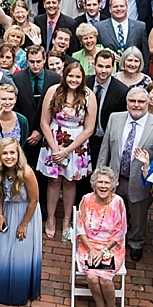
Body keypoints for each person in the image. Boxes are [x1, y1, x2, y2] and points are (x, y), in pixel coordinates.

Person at [97, 87, 153, 269]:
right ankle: (110, 240)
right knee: (112, 212)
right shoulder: (115, 118)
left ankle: (136, 242)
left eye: (141, 102)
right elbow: (106, 148)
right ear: (127, 102)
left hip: (141, 181)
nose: (136, 105)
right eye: (132, 101)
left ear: (148, 103)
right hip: (115, 177)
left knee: (138, 215)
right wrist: (99, 175)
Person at [38, 62, 96, 240]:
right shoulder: (53, 91)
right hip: (53, 140)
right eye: (71, 76)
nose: (74, 80)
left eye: (78, 76)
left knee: (70, 182)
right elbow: (44, 122)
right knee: (54, 181)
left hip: (76, 144)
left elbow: (89, 129)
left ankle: (67, 220)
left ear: (82, 78)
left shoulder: (88, 95)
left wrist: (67, 151)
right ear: (64, 75)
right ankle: (50, 219)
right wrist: (55, 149)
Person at [75, 167, 127, 307]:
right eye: (100, 182)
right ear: (94, 184)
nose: (103, 186)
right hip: (88, 245)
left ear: (112, 185)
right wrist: (91, 249)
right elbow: (80, 228)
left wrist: (104, 250)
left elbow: (120, 232)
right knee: (92, 277)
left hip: (112, 247)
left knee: (104, 278)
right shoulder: (86, 199)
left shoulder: (118, 202)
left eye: (107, 183)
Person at [0, 138, 42, 306]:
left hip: (26, 213)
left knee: (21, 253)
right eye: (5, 153)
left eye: (12, 152)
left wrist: (24, 224)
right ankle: (4, 291)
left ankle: (20, 292)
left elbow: (34, 200)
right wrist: (0, 215)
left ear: (18, 153)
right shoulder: (0, 171)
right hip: (8, 211)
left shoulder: (26, 172)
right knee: (5, 252)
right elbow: (0, 194)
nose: (9, 157)